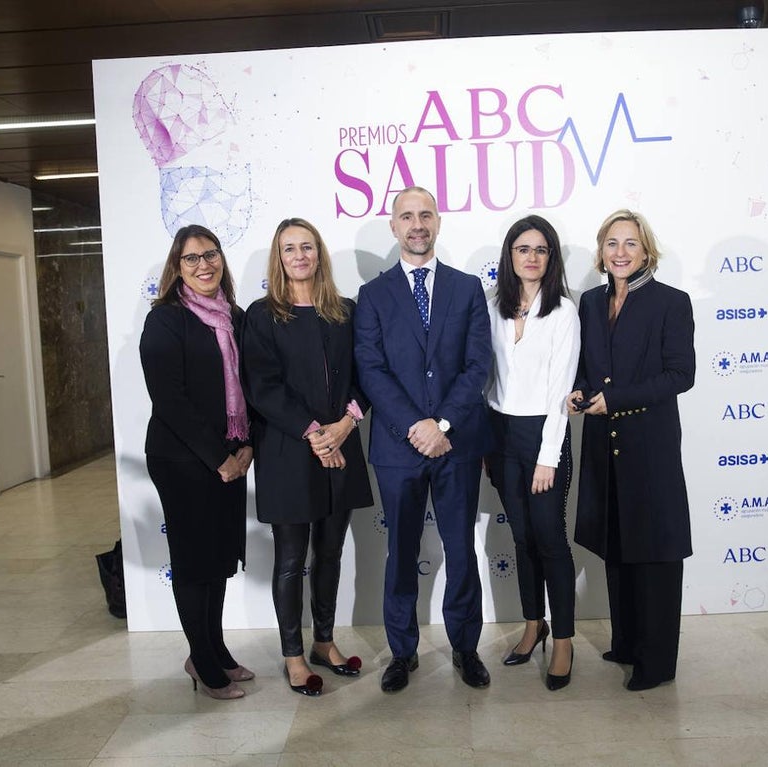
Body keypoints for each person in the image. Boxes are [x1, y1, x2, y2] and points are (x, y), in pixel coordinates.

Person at [353, 186, 493, 693]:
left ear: (439, 222)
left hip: (456, 446)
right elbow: (371, 369)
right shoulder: (372, 295)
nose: (417, 224)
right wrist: (417, 426)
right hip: (397, 448)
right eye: (406, 216)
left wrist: (444, 426)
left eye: (425, 215)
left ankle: (465, 647)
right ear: (393, 226)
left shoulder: (467, 288)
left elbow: (478, 364)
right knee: (400, 554)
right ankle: (402, 653)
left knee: (461, 551)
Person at [242, 218, 373, 697]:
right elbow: (262, 386)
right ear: (278, 258)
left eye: (307, 247)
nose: (299, 255)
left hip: (341, 446)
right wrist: (316, 434)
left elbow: (364, 375)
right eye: (289, 248)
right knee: (292, 559)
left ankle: (324, 642)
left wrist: (344, 425)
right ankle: (293, 656)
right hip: (289, 452)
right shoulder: (261, 315)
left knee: (332, 553)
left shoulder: (345, 312)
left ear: (319, 254)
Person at [568, 209, 695, 692]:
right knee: (617, 548)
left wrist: (615, 399)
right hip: (603, 446)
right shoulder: (590, 302)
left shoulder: (671, 302)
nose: (620, 253)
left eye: (631, 244)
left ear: (647, 252)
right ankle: (626, 643)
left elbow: (681, 375)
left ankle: (656, 662)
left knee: (654, 555)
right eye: (612, 244)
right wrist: (579, 391)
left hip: (650, 448)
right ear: (601, 251)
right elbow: (585, 364)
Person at [140, 223, 255, 700]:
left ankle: (214, 648)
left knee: (219, 559)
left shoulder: (237, 317)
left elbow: (253, 388)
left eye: (211, 254)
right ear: (177, 267)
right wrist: (218, 459)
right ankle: (202, 662)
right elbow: (170, 399)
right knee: (193, 562)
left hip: (232, 454)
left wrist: (248, 447)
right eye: (192, 258)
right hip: (182, 459)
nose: (204, 264)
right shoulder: (166, 319)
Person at [485, 215, 580, 691]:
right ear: (510, 255)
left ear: (551, 257)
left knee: (550, 538)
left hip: (544, 436)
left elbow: (561, 390)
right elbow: (486, 382)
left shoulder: (563, 311)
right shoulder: (491, 308)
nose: (531, 257)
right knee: (521, 538)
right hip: (500, 438)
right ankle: (532, 625)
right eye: (523, 248)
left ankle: (562, 639)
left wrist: (548, 457)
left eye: (540, 250)